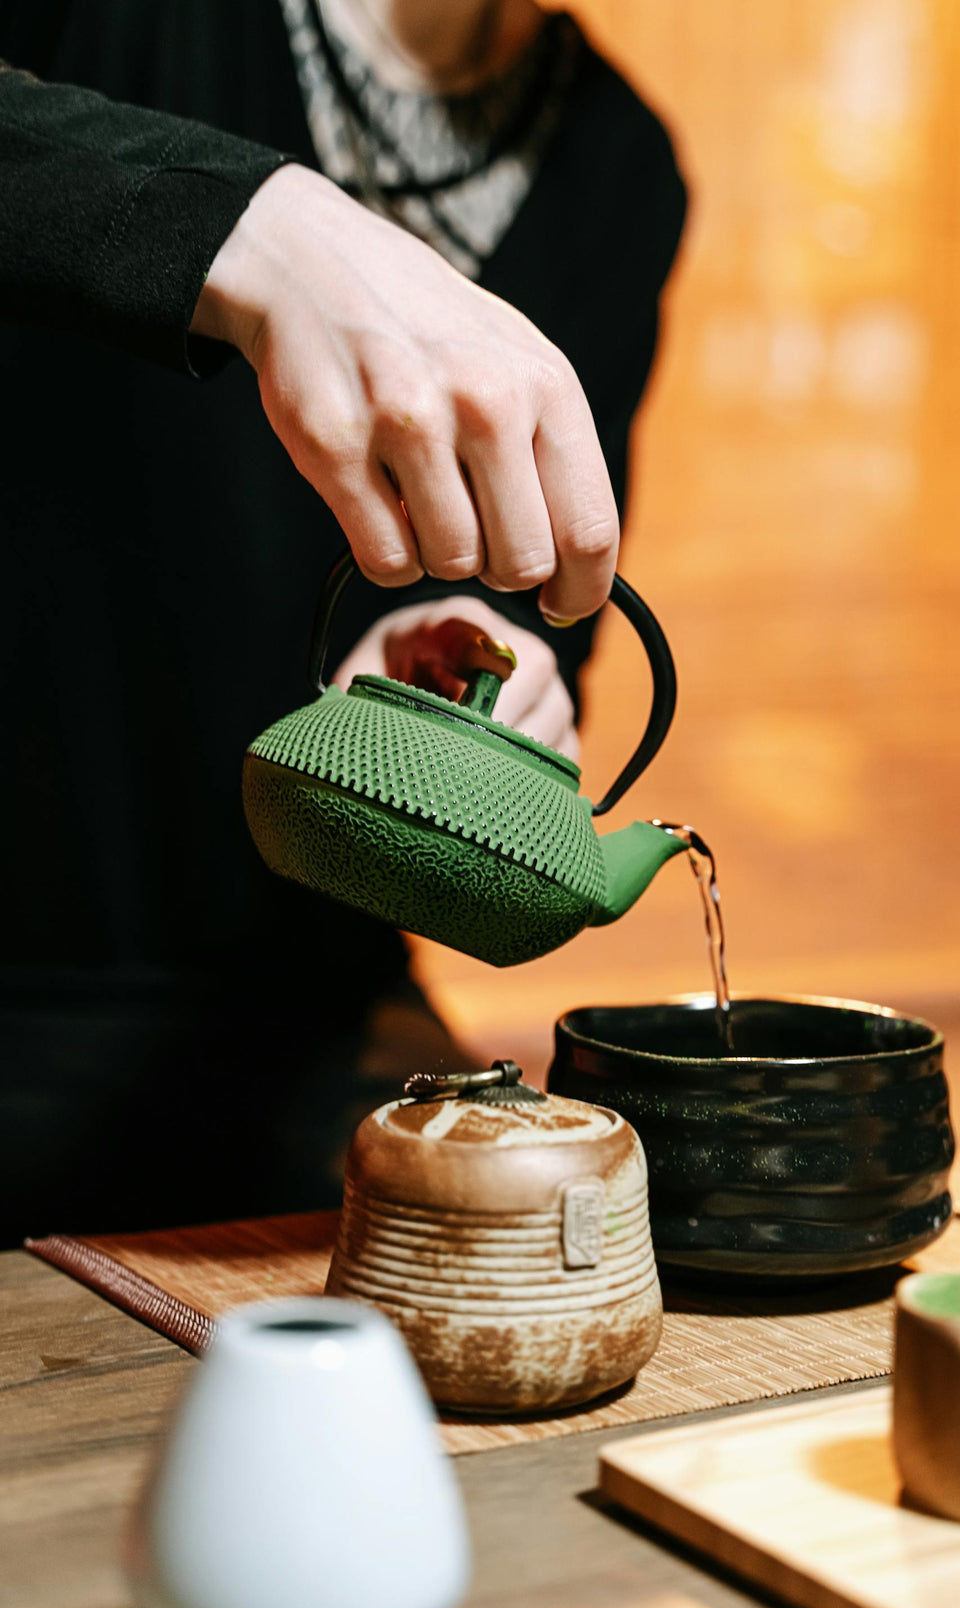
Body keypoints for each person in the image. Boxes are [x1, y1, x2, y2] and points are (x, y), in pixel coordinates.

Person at [0, 0, 686, 1242]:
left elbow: (545, 573)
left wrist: (494, 659)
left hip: (308, 1009)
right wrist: (257, 223)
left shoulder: (618, 157)